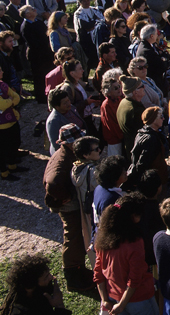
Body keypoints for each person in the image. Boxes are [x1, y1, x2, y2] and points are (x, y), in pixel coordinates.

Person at [43, 123, 94, 292]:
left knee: (77, 236)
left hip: (71, 204)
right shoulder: (63, 159)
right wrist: (65, 197)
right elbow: (52, 184)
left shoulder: (68, 153)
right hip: (69, 208)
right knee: (73, 238)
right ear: (68, 142)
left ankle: (79, 269)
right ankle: (73, 277)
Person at [93, 192, 158, 315]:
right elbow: (134, 279)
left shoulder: (101, 240)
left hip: (113, 298)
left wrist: (105, 299)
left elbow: (98, 271)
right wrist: (122, 305)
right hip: (139, 300)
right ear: (133, 217)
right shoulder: (135, 243)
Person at [0, 253, 71, 315]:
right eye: (46, 277)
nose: (52, 277)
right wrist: (59, 306)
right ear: (30, 287)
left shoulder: (38, 296)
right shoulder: (21, 312)